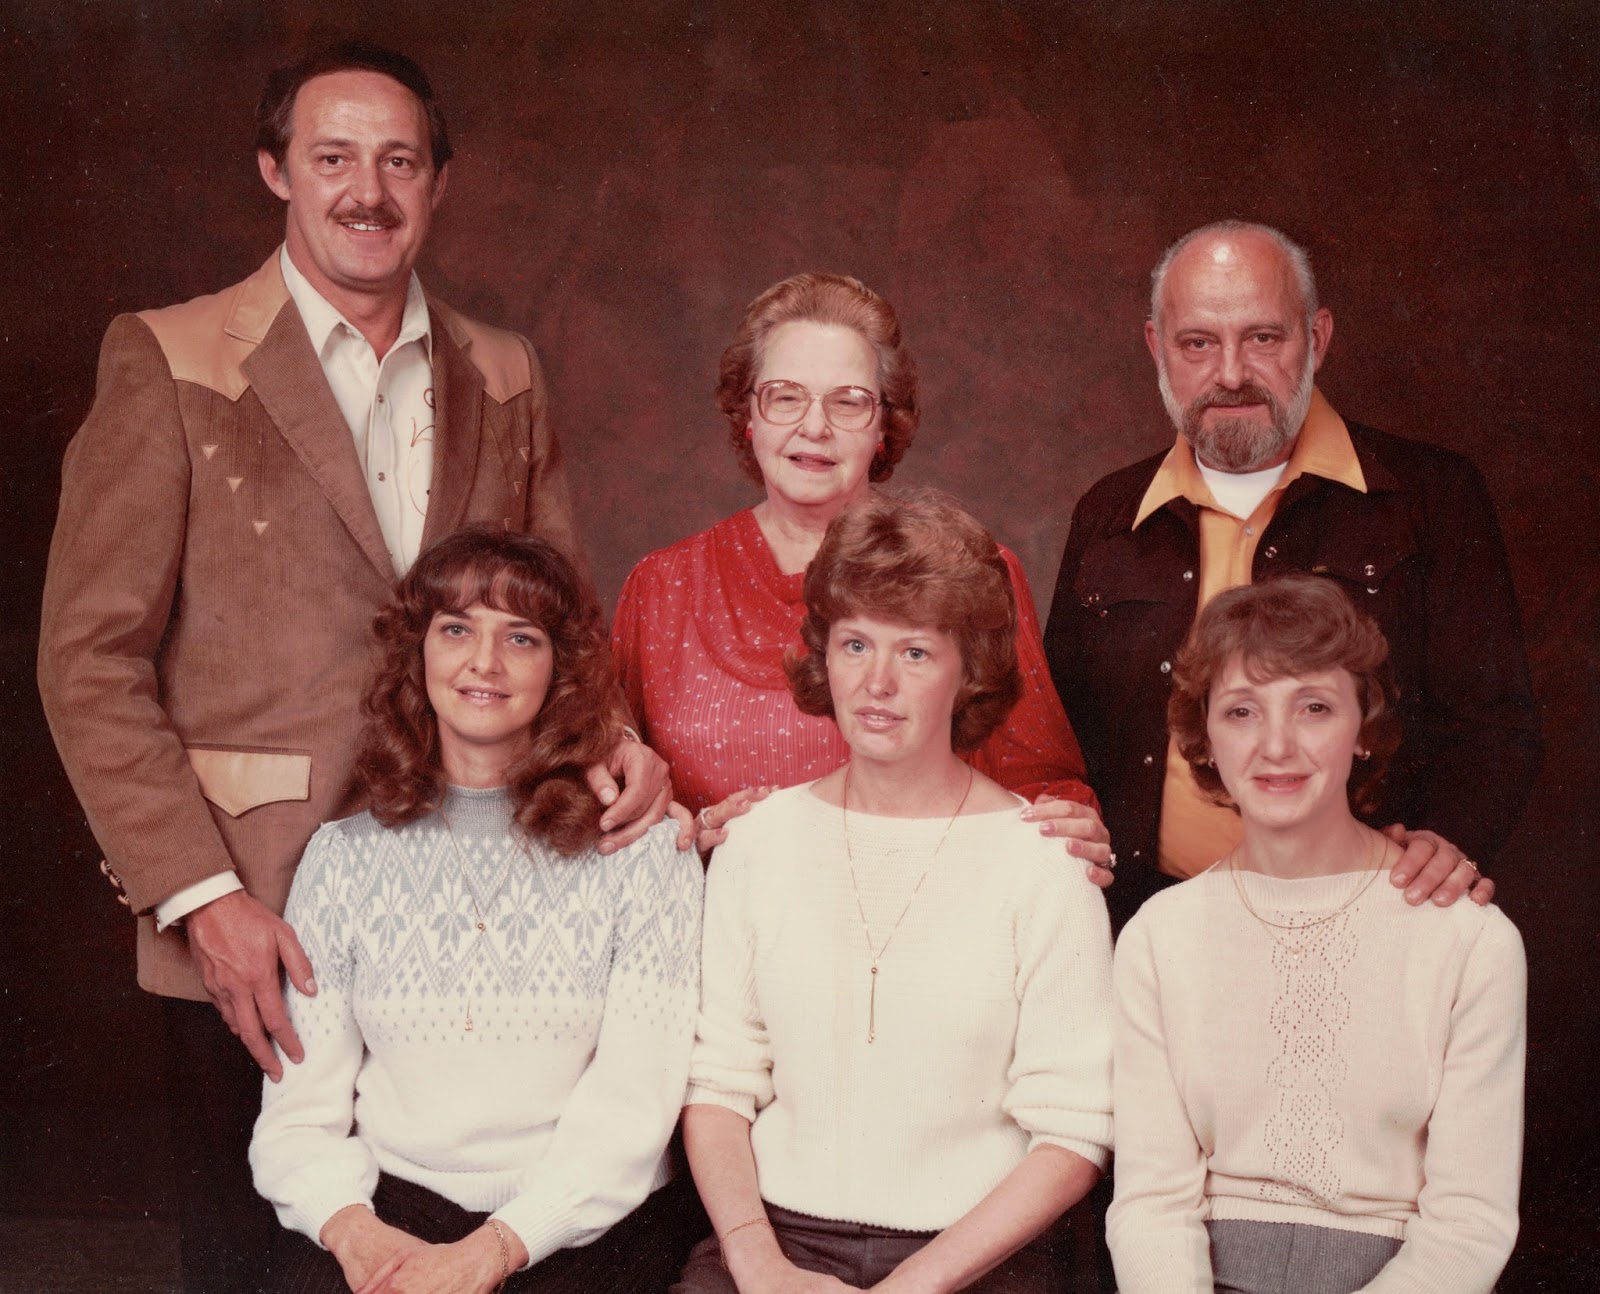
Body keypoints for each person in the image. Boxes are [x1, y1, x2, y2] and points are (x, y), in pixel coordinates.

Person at [35, 42, 670, 1294]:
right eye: (332, 157)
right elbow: (87, 657)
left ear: (438, 183)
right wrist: (198, 895)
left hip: (475, 922)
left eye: (398, 161)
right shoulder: (170, 356)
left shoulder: (504, 370)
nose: (366, 191)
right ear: (276, 170)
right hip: (253, 913)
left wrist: (620, 743)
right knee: (260, 1266)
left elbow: (562, 619)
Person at [1043, 220, 1540, 931]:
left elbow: (1495, 727)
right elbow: (1063, 736)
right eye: (1197, 343)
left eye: (1263, 338)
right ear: (1157, 347)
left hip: (1371, 916)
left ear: (1318, 338)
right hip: (1147, 924)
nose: (1231, 373)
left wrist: (1447, 841)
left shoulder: (1432, 498)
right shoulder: (1109, 513)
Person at [675, 495, 1114, 1294]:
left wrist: (910, 1288)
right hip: (775, 1243)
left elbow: (1074, 1134)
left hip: (981, 1255)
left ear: (969, 671)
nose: (877, 682)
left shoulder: (1047, 863)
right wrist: (759, 1267)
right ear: (823, 656)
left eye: (915, 652)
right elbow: (716, 1085)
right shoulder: (756, 843)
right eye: (855, 644)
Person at [250, 526, 703, 1293]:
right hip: (390, 1216)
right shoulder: (342, 858)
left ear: (562, 669)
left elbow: (635, 1110)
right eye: (456, 630)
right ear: (418, 653)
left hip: (584, 1229)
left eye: (520, 638)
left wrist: (490, 1253)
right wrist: (360, 1238)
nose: (484, 663)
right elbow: (299, 1114)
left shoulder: (643, 854)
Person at [612, 271, 1112, 873]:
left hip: (918, 913)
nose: (814, 427)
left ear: (882, 428)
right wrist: (687, 849)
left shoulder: (972, 573)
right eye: (785, 397)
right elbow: (619, 804)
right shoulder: (661, 586)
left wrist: (1065, 833)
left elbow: (1042, 790)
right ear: (748, 414)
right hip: (712, 918)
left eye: (847, 402)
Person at [1108, 573, 1524, 1293]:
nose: (1277, 746)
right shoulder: (1157, 936)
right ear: (1204, 738)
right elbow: (1150, 1203)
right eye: (1242, 711)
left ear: (1364, 729)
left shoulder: (1467, 939)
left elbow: (1470, 1223)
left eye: (1315, 708)